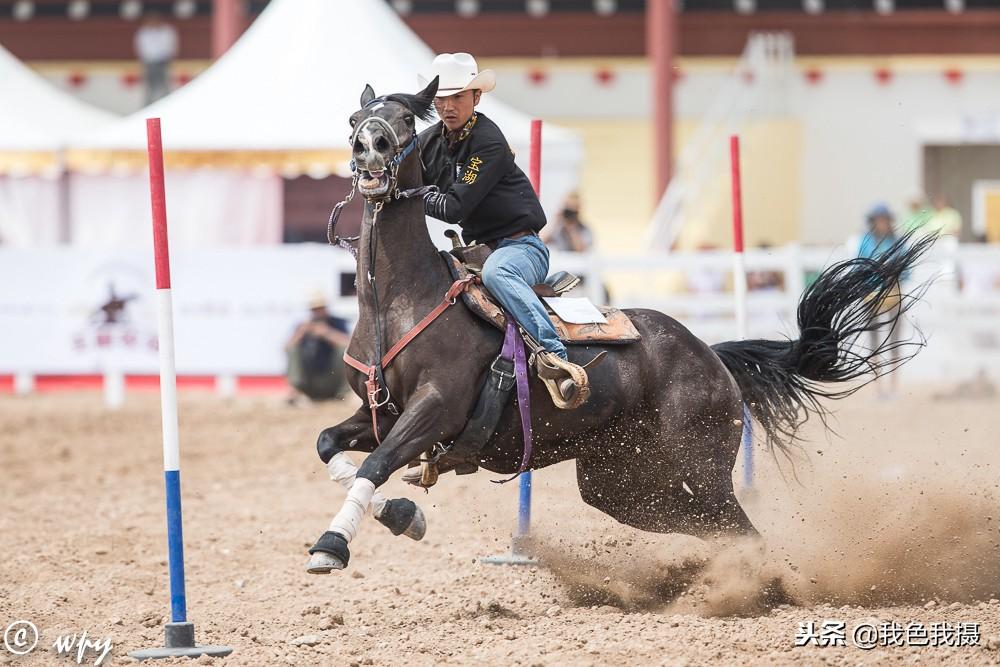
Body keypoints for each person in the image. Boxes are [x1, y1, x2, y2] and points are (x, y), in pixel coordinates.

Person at [418, 53, 589, 409]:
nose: (448, 107)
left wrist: (415, 194)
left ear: (476, 98)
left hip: (521, 249)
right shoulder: (430, 141)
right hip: (480, 249)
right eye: (441, 99)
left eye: (458, 97)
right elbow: (404, 173)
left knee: (499, 272)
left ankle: (554, 355)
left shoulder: (488, 142)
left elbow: (453, 208)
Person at [858, 203, 903, 399]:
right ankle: (878, 387)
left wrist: (897, 278)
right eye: (879, 219)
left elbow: (906, 266)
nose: (882, 223)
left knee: (894, 341)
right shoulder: (866, 241)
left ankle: (893, 386)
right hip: (871, 294)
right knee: (874, 342)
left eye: (884, 219)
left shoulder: (897, 241)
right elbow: (859, 265)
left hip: (893, 293)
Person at [285, 294, 351, 403]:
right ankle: (295, 392)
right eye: (315, 309)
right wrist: (300, 334)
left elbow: (349, 346)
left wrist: (327, 333)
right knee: (293, 350)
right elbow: (287, 348)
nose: (318, 312)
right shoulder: (304, 326)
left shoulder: (337, 322)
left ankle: (342, 393)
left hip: (332, 381)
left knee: (343, 351)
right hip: (310, 382)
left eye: (320, 308)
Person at [133, 12, 178, 106]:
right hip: (149, 63)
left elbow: (171, 46)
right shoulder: (143, 32)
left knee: (164, 86)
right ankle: (148, 107)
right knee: (149, 88)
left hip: (163, 62)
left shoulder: (167, 30)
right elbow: (141, 48)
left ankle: (167, 106)